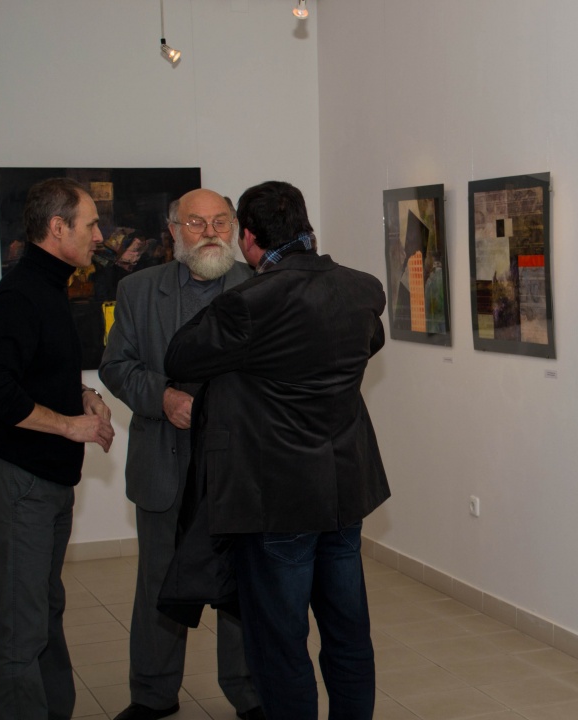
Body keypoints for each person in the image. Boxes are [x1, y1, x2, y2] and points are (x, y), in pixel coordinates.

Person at [163, 181, 390, 720]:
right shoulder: (362, 289)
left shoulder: (249, 303)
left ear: (247, 237)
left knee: (281, 642)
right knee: (348, 633)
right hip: (344, 491)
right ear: (306, 226)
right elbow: (369, 343)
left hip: (278, 500)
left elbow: (180, 356)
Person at [98, 189, 263, 720]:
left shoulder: (262, 286)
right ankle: (153, 694)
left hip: (240, 469)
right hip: (165, 465)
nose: (210, 232)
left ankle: (249, 693)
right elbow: (116, 366)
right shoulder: (138, 289)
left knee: (243, 587)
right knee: (159, 584)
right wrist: (163, 397)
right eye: (196, 222)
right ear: (173, 231)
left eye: (221, 221)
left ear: (234, 227)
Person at [0, 177, 116, 720]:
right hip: (19, 485)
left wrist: (84, 396)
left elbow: (36, 372)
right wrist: (70, 426)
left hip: (46, 484)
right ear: (57, 228)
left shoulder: (49, 286)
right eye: (90, 224)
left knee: (44, 611)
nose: (99, 235)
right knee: (21, 630)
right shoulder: (20, 293)